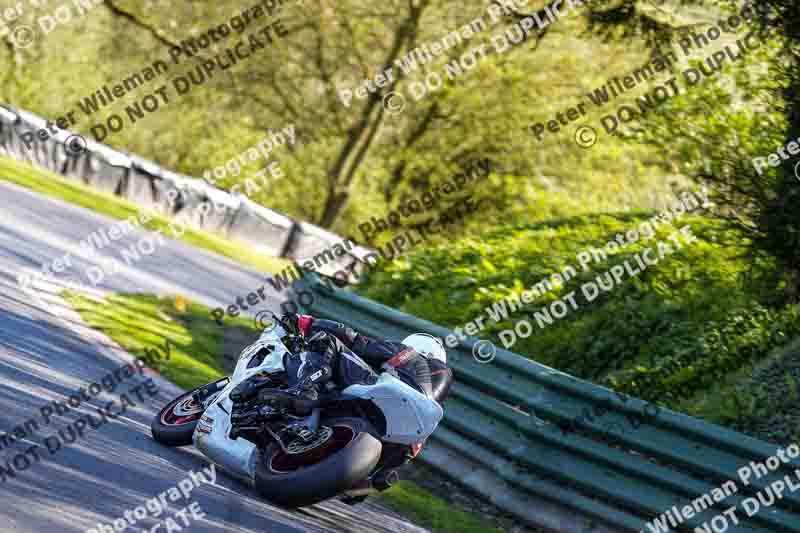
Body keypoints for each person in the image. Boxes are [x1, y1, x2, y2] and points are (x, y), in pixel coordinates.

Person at [280, 313, 454, 411]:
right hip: (399, 441)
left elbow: (357, 343)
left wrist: (307, 323)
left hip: (390, 397)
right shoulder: (436, 403)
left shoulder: (407, 354)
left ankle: (304, 389)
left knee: (328, 341)